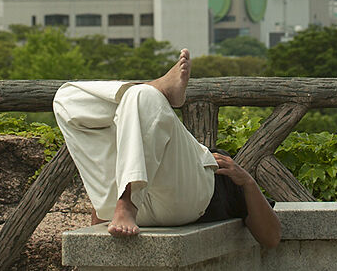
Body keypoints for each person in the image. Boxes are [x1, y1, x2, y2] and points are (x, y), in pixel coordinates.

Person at [52, 48, 281, 249]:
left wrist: (248, 182)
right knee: (66, 98)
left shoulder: (224, 171)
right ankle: (156, 88)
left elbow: (271, 238)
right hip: (133, 210)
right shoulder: (134, 148)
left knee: (142, 96)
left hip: (182, 205)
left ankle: (128, 200)